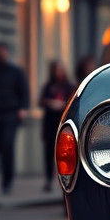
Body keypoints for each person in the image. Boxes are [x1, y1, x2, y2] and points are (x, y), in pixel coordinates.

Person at [0, 42, 29, 196]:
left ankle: (7, 181)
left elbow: (24, 92)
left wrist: (22, 109)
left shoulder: (16, 71)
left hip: (10, 115)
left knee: (7, 146)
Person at [39, 61, 74, 191]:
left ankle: (64, 181)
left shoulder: (69, 86)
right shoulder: (48, 86)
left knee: (64, 155)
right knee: (48, 153)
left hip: (63, 123)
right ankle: (48, 179)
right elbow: (41, 101)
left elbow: (72, 102)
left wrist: (62, 105)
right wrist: (49, 102)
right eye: (55, 70)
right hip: (50, 124)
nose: (57, 73)